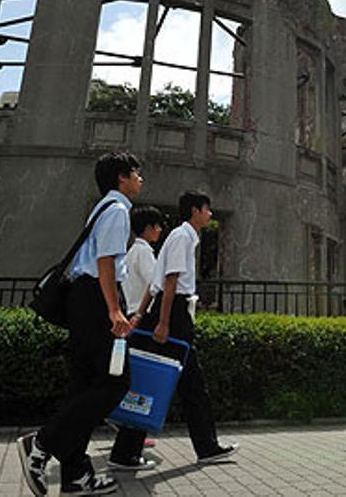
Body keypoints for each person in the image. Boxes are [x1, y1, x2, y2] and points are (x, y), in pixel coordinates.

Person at [17, 152, 142, 496]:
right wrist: (114, 310)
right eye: (136, 173)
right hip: (95, 297)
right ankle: (42, 443)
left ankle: (75, 476)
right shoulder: (117, 211)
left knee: (84, 386)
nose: (140, 180)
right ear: (121, 178)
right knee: (116, 382)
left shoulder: (102, 207)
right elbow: (105, 263)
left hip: (81, 298)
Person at [113, 191, 237, 467]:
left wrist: (143, 315)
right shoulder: (182, 237)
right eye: (207, 209)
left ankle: (125, 452)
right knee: (191, 385)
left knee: (153, 380)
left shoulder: (181, 237)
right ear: (195, 211)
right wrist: (164, 322)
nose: (210, 214)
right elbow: (169, 282)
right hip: (174, 314)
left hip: (166, 312)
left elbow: (154, 285)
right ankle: (205, 447)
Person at [107, 205, 166, 471]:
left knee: (134, 380)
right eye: (157, 226)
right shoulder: (144, 253)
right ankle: (127, 446)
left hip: (131, 317)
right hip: (142, 321)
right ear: (149, 228)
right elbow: (157, 285)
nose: (160, 230)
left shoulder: (132, 252)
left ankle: (130, 437)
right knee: (144, 384)